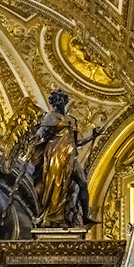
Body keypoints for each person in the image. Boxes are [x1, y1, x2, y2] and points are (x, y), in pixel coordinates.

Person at [27, 89, 101, 227]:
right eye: (57, 101)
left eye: (61, 100)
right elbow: (42, 131)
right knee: (56, 186)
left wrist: (93, 137)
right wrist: (36, 137)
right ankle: (53, 217)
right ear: (54, 103)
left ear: (64, 102)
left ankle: (85, 216)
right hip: (55, 156)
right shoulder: (50, 117)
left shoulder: (71, 120)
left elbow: (76, 142)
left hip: (70, 156)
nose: (59, 103)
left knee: (83, 183)